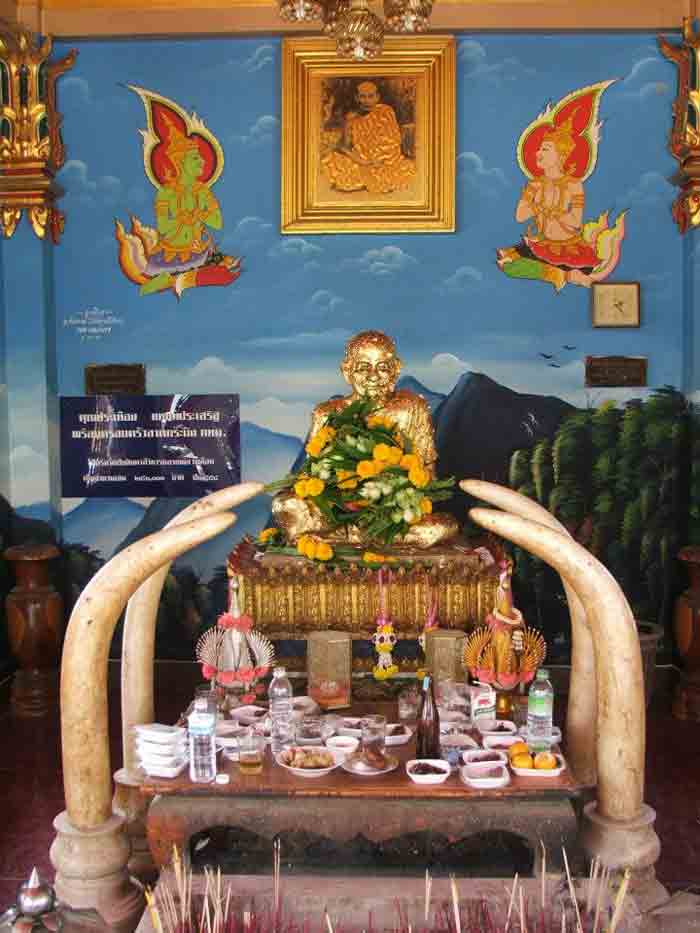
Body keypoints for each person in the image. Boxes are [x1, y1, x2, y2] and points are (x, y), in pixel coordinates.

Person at [271, 330, 459, 548]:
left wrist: (393, 492)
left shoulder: (411, 409)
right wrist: (342, 494)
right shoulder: (327, 413)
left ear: (396, 369)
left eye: (383, 367)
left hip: (392, 512)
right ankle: (369, 535)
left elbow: (428, 476)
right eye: (363, 368)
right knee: (284, 504)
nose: (373, 376)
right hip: (338, 512)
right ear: (347, 371)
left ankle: (351, 535)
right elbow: (308, 477)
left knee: (442, 526)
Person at [497, 116, 599, 291]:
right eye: (539, 149)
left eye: (545, 149)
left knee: (584, 267)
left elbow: (575, 221)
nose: (538, 153)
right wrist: (538, 206)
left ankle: (564, 273)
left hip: (569, 248)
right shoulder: (534, 184)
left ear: (561, 155)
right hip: (543, 246)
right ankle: (561, 275)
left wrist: (554, 212)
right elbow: (520, 216)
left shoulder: (573, 185)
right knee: (507, 265)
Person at [321, 81, 416, 195]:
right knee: (331, 161)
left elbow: (394, 142)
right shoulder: (351, 118)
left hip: (385, 162)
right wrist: (363, 161)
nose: (367, 101)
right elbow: (344, 146)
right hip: (361, 161)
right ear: (357, 98)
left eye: (370, 96)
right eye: (363, 96)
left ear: (377, 97)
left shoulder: (386, 111)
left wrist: (380, 159)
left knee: (405, 169)